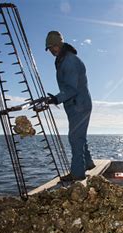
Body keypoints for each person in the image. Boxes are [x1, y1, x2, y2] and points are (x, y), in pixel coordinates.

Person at [45, 31, 95, 181]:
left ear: (59, 45)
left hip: (79, 104)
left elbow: (72, 89)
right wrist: (54, 98)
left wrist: (56, 99)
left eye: (53, 46)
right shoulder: (62, 60)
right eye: (49, 48)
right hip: (75, 105)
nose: (51, 50)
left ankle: (77, 174)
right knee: (79, 136)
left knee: (75, 137)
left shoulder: (70, 61)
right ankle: (88, 164)